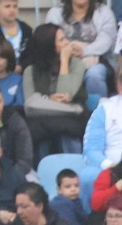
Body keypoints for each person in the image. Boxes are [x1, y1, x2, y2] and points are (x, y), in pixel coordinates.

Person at [23, 24, 86, 155]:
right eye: (61, 40)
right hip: (43, 117)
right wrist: (49, 99)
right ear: (48, 45)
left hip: (71, 117)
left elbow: (65, 93)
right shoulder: (30, 71)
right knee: (40, 133)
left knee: (67, 132)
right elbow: (30, 103)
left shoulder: (76, 64)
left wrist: (64, 61)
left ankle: (74, 166)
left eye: (65, 38)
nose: (67, 42)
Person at [46, 0, 116, 101]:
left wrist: (84, 50)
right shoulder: (55, 13)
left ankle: (99, 108)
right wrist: (70, 50)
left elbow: (106, 41)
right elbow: (51, 38)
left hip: (97, 61)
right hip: (64, 59)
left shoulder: (104, 12)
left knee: (94, 74)